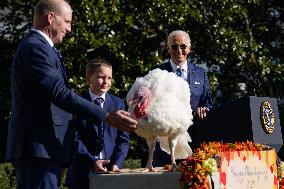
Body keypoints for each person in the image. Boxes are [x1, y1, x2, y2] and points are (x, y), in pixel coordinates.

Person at [5, 0, 136, 188]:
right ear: (50, 18)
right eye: (67, 21)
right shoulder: (36, 47)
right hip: (39, 147)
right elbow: (59, 93)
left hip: (44, 148)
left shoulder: (42, 47)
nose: (69, 28)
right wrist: (105, 116)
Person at [140, 30, 214, 167]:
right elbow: (146, 105)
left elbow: (208, 103)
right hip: (164, 145)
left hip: (194, 141)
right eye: (174, 46)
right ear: (168, 49)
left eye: (183, 46)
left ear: (189, 48)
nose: (179, 50)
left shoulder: (200, 74)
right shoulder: (157, 73)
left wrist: (204, 110)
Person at [65, 59, 130, 188]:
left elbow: (123, 139)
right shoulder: (77, 103)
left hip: (111, 172)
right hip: (82, 172)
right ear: (88, 79)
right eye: (101, 77)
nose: (106, 82)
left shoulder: (118, 103)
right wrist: (92, 161)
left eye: (109, 78)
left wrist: (116, 163)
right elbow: (75, 138)